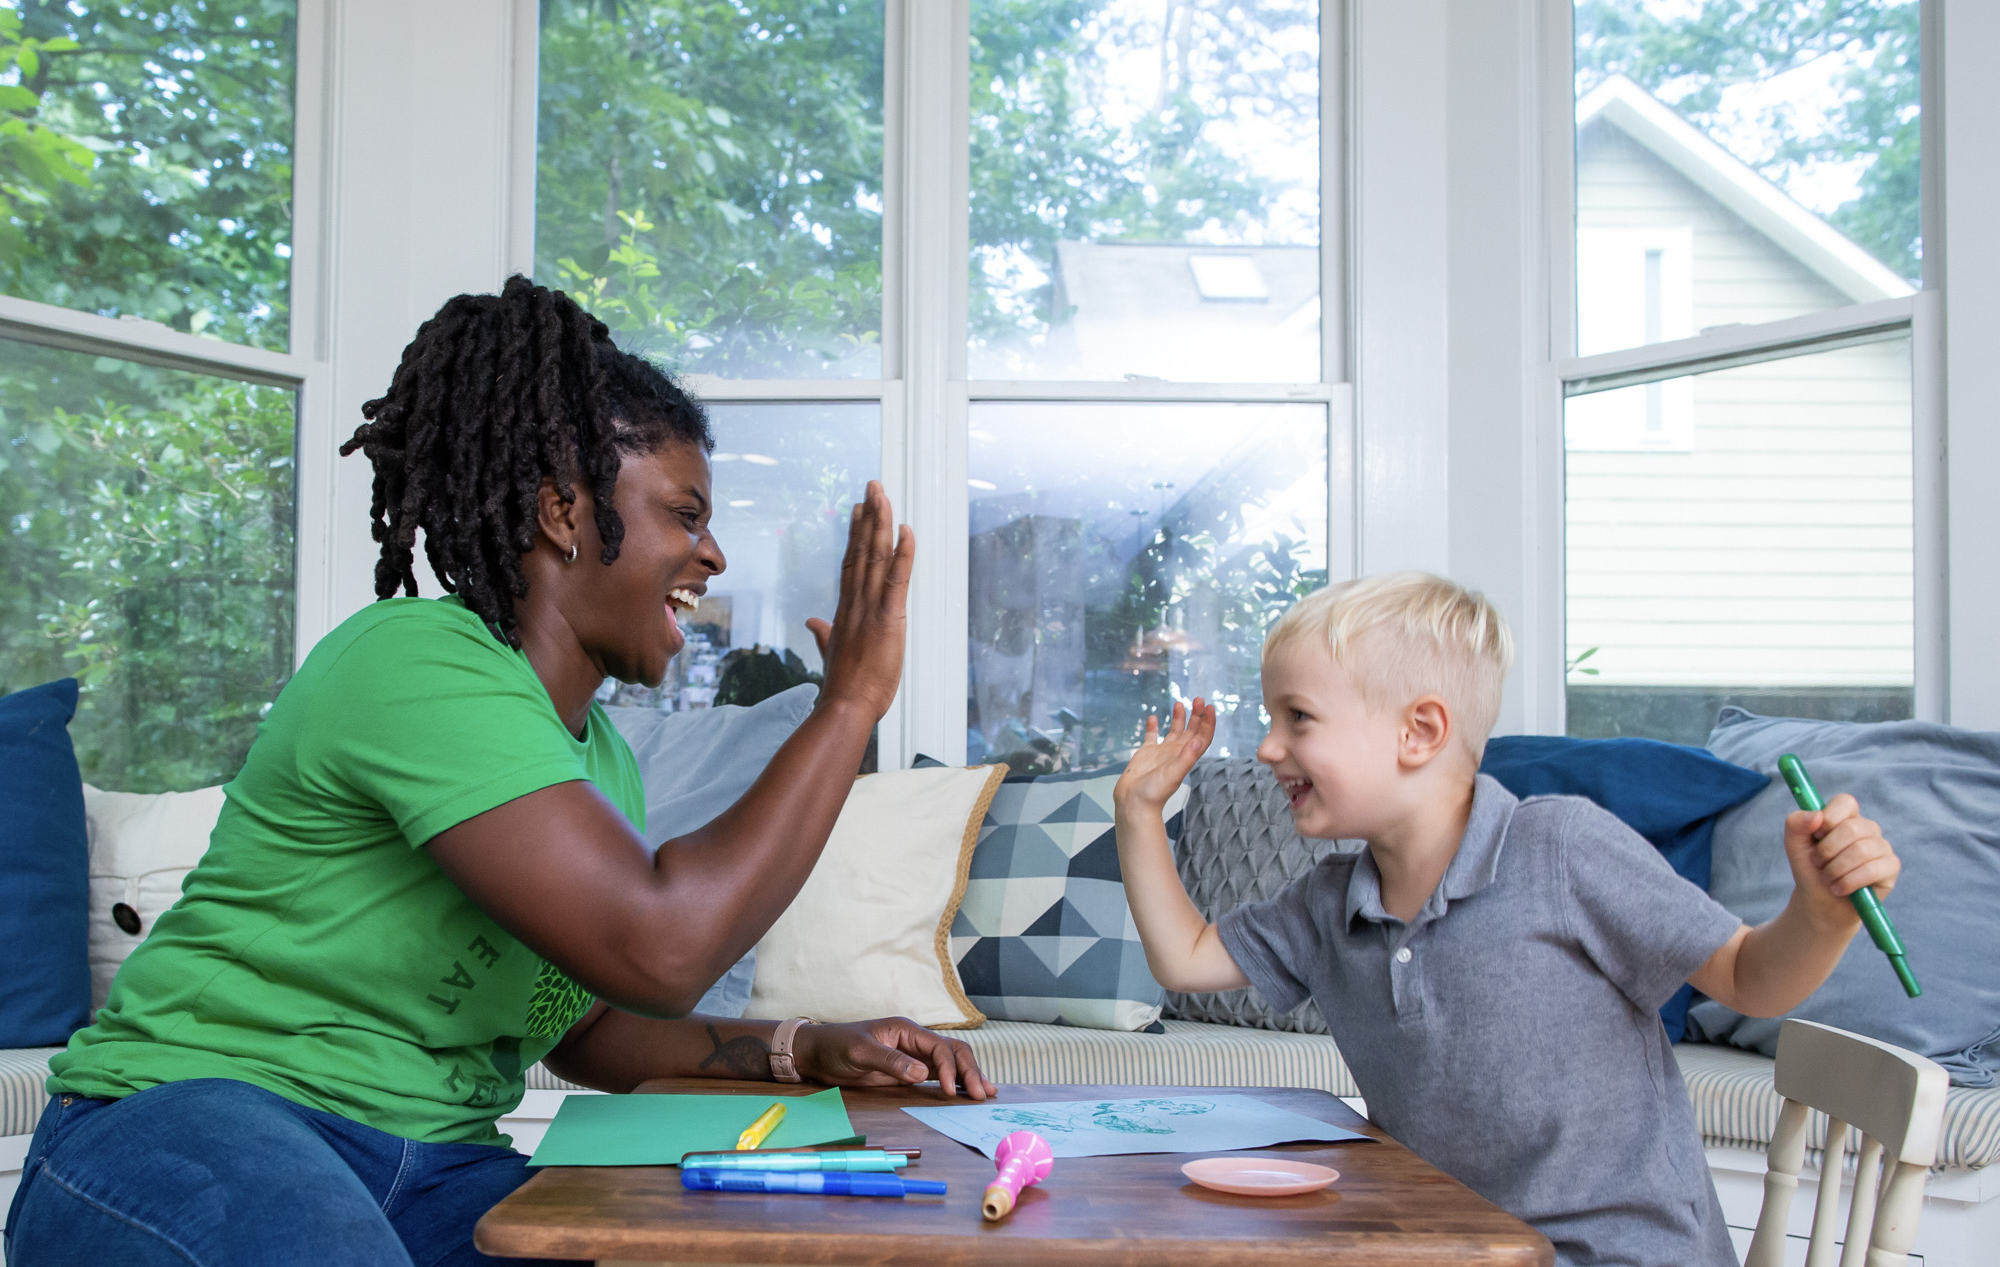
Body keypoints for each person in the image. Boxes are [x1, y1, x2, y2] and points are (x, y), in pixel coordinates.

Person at [4, 276, 991, 1267]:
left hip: (438, 1168)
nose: (712, 554)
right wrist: (847, 704)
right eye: (684, 516)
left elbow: (593, 1025)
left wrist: (800, 1045)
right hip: (196, 1117)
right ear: (564, 511)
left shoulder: (599, 760)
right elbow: (663, 945)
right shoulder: (415, 659)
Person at [1110, 571, 1903, 1267]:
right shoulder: (1329, 900)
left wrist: (1822, 915)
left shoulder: (1560, 848)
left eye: (1298, 718)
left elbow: (1747, 975)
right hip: (1456, 1248)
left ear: (1417, 732)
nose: (1268, 748)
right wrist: (1140, 812)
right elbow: (1185, 957)